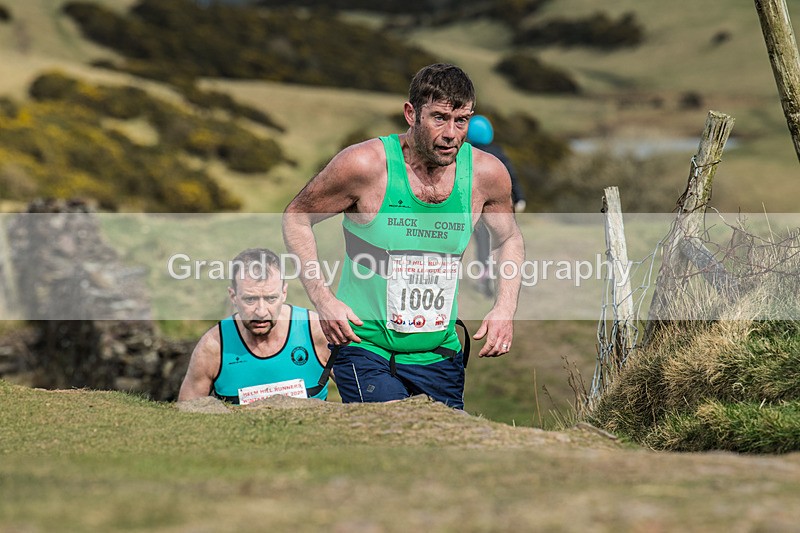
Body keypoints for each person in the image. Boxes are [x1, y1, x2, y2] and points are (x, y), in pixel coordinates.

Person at [282, 63, 525, 409]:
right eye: (439, 118)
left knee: (440, 455)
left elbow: (508, 239)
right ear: (411, 113)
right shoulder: (365, 166)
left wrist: (505, 307)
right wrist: (323, 299)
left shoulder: (486, 174)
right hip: (366, 348)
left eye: (462, 120)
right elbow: (296, 216)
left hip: (439, 354)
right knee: (388, 446)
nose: (451, 134)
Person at [178, 248, 332, 403]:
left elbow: (356, 399)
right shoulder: (213, 346)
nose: (261, 312)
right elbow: (186, 416)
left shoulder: (317, 331)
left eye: (271, 298)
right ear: (233, 296)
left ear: (284, 293)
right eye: (250, 300)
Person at [466, 115, 527, 298]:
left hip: (475, 211)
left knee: (483, 247)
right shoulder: (498, 152)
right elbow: (511, 176)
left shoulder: (465, 153)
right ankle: (502, 279)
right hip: (497, 210)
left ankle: (485, 280)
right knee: (503, 243)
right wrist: (520, 198)